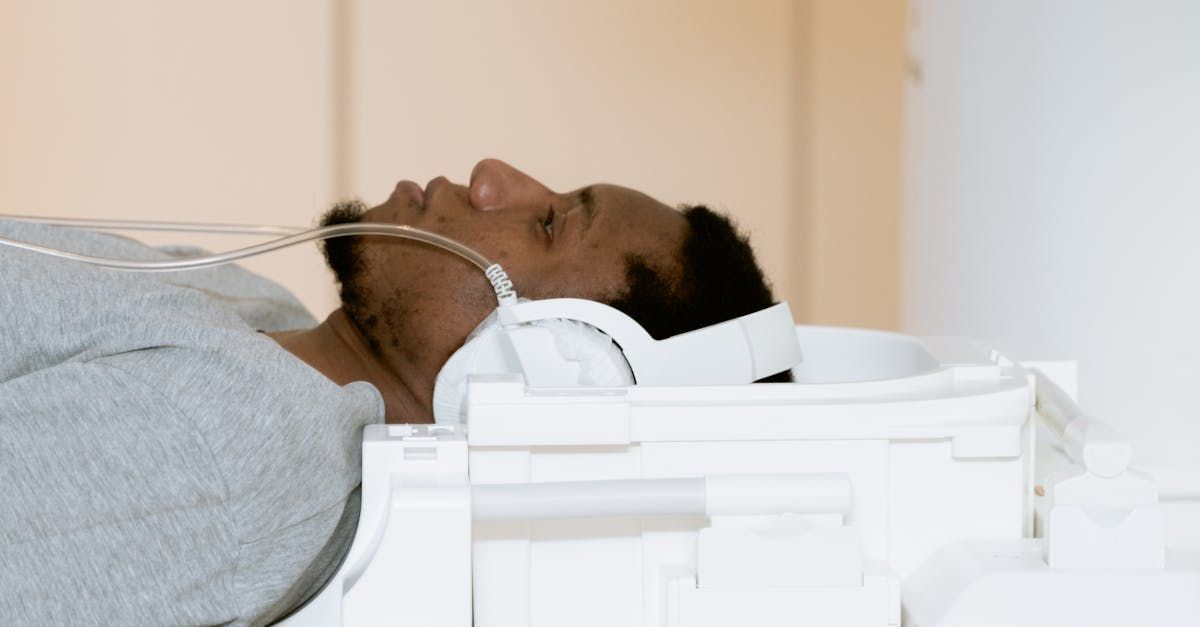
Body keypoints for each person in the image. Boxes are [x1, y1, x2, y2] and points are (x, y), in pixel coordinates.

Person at [0, 159, 785, 625]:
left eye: (547, 224)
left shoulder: (229, 448)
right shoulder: (273, 315)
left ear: (555, 363)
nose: (487, 178)